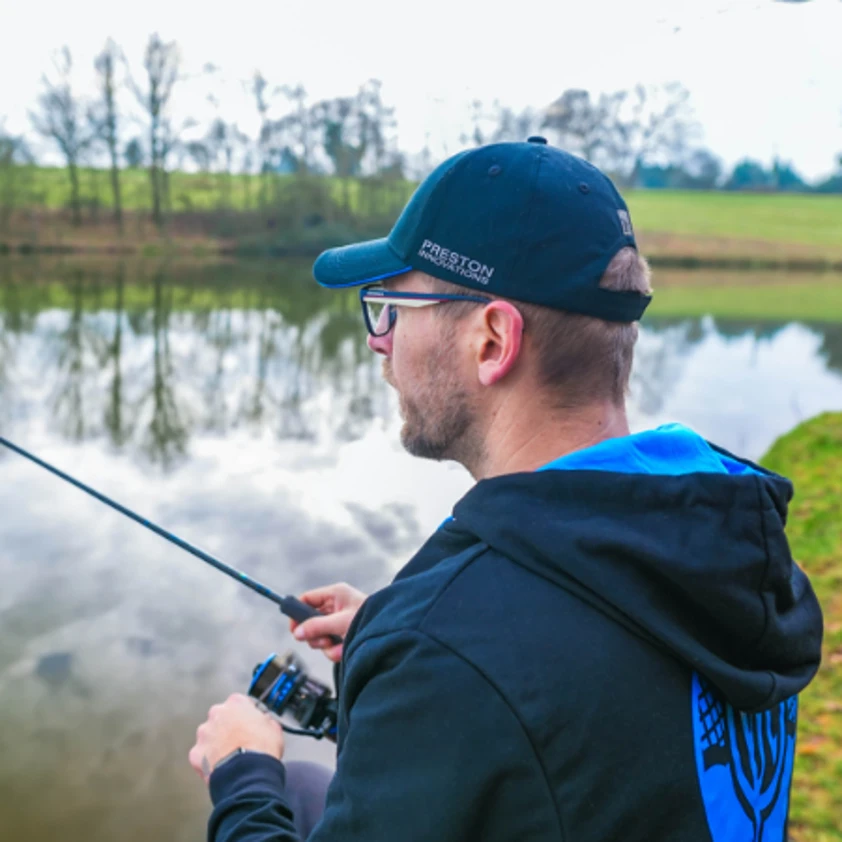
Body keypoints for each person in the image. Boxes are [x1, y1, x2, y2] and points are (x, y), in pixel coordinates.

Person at [189, 137, 823, 841]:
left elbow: (498, 664)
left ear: (492, 340)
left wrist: (242, 771)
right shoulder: (728, 550)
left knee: (282, 784)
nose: (378, 340)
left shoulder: (449, 650)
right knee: (309, 787)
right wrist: (389, 633)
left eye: (393, 305)